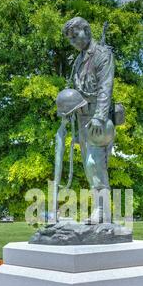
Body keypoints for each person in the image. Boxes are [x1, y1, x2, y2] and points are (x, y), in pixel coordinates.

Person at [62, 17, 115, 222]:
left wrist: (100, 117)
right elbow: (75, 89)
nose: (73, 41)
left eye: (75, 35)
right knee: (88, 166)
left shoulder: (102, 54)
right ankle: (100, 209)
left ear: (87, 30)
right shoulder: (77, 60)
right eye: (70, 39)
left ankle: (102, 211)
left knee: (95, 163)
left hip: (97, 119)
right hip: (82, 118)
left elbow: (105, 87)